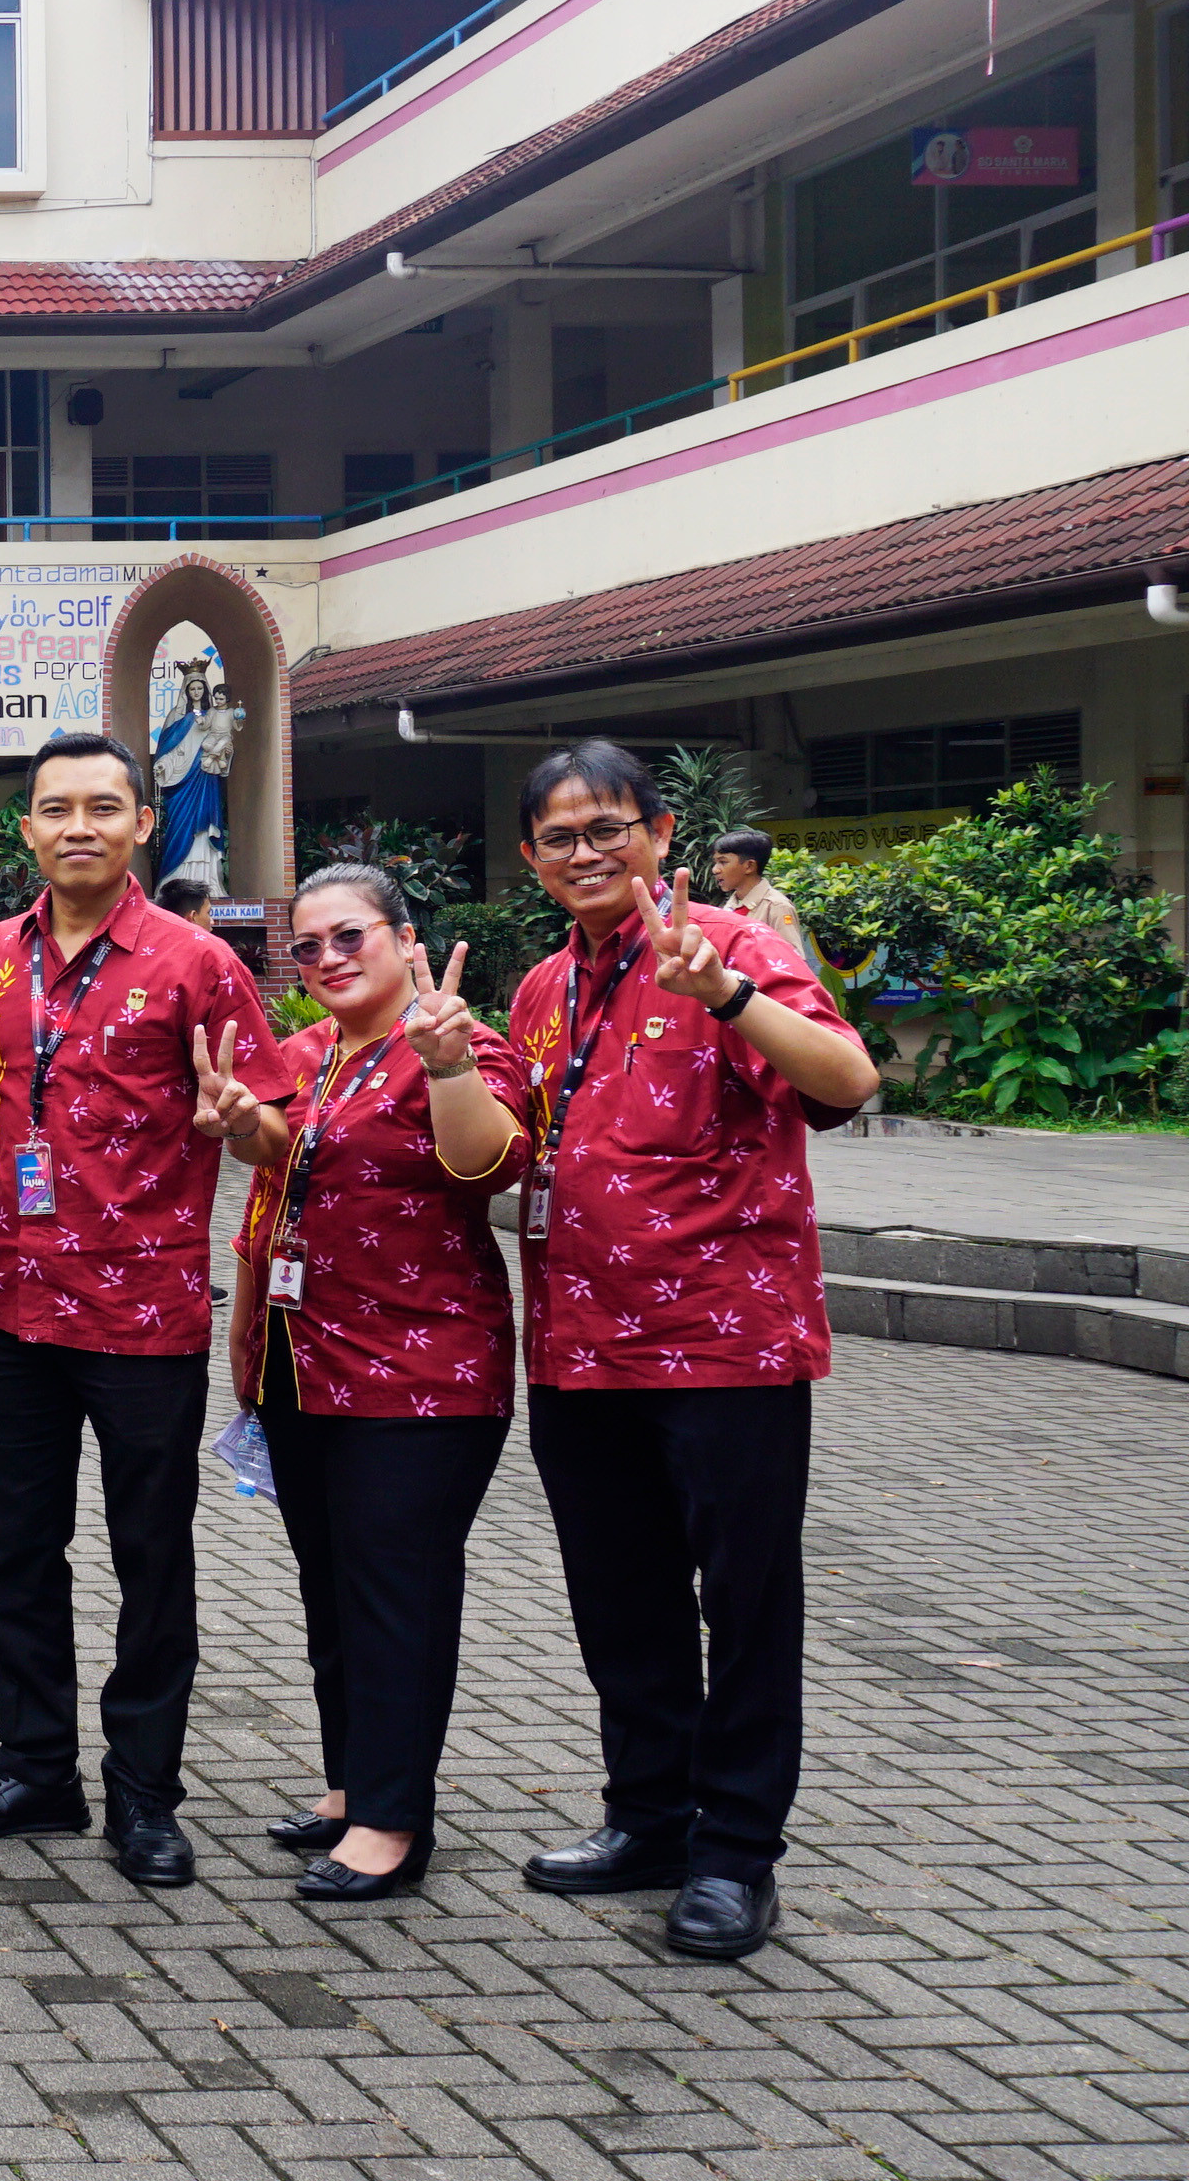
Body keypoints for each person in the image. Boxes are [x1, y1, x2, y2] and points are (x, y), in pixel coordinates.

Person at [504, 741, 873, 1960]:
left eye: (607, 827)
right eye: (560, 837)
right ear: (531, 861)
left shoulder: (735, 948)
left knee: (746, 1605)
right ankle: (647, 1819)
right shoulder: (540, 991)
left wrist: (723, 994)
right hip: (579, 1346)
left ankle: (734, 1857)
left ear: (660, 834)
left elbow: (847, 1080)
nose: (586, 853)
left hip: (726, 1348)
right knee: (623, 1600)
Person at [0, 732, 276, 1887]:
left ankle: (143, 1794)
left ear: (139, 826)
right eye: (54, 807)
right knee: (18, 1551)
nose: (77, 825)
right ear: (24, 826)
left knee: (149, 1557)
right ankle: (35, 1769)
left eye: (102, 807)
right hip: (17, 1303)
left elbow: (270, 1119)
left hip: (141, 1315)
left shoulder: (195, 964)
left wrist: (241, 1125)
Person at [188, 864, 532, 1903]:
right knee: (332, 1589)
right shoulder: (306, 1054)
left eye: (351, 939)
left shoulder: (462, 1044)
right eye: (309, 947)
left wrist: (445, 1068)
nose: (329, 960)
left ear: (401, 937)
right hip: (302, 1362)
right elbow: (278, 1150)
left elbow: (488, 1166)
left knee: (397, 1595)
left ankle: (392, 1820)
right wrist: (242, 1121)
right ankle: (350, 1786)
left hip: (422, 1369)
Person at [705, 830, 824, 979]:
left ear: (749, 866)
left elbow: (793, 961)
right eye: (715, 862)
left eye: (723, 862)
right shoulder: (730, 907)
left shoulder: (776, 906)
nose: (715, 870)